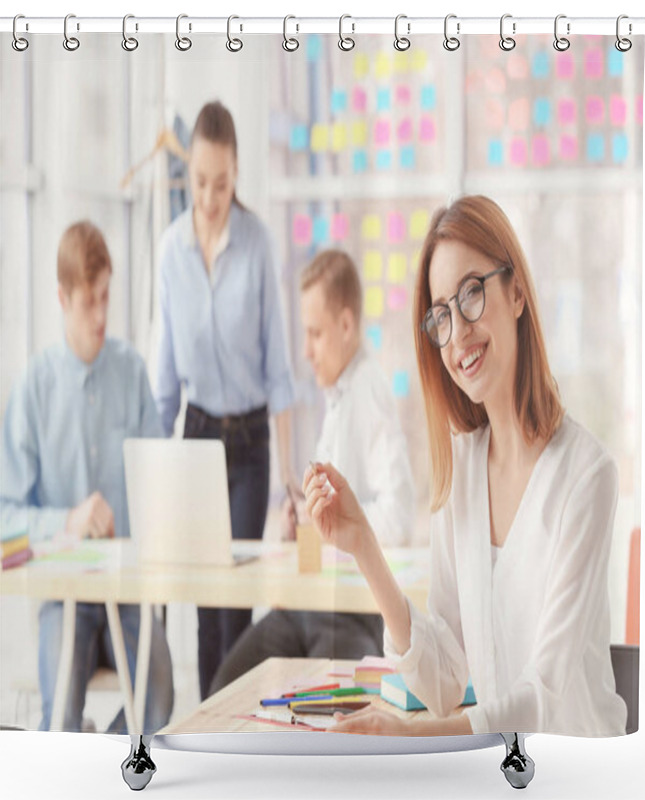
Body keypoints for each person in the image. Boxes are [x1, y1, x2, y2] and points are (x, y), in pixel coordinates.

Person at [303, 196, 628, 737]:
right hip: (503, 774)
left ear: (517, 291)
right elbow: (446, 681)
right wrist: (364, 547)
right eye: (441, 315)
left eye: (472, 294)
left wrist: (408, 739)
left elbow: (541, 696)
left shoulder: (587, 476)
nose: (457, 335)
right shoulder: (462, 471)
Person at [209, 249, 415, 695]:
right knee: (225, 686)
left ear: (346, 325)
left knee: (303, 703)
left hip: (345, 610)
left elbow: (399, 516)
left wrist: (335, 523)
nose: (305, 352)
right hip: (310, 602)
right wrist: (303, 516)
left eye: (315, 334)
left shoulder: (368, 392)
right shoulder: (338, 395)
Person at [0, 221, 174, 733]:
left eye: (105, 298)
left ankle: (100, 772)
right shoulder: (34, 387)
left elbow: (162, 484)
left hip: (128, 590)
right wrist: (68, 521)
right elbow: (5, 516)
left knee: (161, 700)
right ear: (61, 297)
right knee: (61, 718)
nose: (101, 315)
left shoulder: (131, 371)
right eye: (87, 303)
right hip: (65, 597)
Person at [155, 101, 298, 700]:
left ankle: (232, 729)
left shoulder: (259, 244)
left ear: (237, 173)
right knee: (200, 609)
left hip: (247, 445)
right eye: (201, 182)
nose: (210, 198)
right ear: (188, 173)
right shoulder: (170, 252)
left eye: (222, 183)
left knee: (234, 608)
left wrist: (291, 480)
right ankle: (202, 729)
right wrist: (155, 476)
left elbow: (280, 375)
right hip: (195, 439)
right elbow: (164, 383)